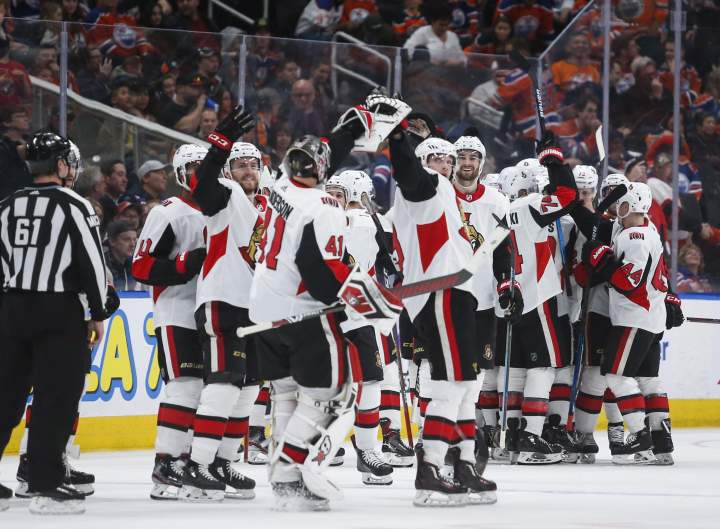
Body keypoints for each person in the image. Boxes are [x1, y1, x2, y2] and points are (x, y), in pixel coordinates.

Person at [249, 101, 399, 510]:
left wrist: (351, 128)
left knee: (286, 394)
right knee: (330, 396)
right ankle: (294, 470)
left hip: (263, 309)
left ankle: (284, 479)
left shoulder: (279, 186)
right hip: (301, 311)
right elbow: (321, 271)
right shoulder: (324, 208)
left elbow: (319, 154)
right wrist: (365, 301)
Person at [386, 103, 498, 504]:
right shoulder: (422, 187)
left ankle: (465, 464)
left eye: (449, 159)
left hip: (455, 292)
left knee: (466, 384)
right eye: (437, 158)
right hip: (439, 292)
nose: (446, 164)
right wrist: (397, 136)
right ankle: (430, 468)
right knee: (450, 385)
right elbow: (408, 171)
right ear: (422, 162)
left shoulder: (443, 190)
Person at [0, 132, 117, 515]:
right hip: (57, 311)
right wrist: (99, 310)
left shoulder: (8, 204)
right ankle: (45, 484)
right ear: (62, 165)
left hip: (10, 310)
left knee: (5, 395)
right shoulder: (74, 204)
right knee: (56, 398)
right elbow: (92, 261)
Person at [178, 119, 264, 501]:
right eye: (240, 164)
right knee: (224, 383)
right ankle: (198, 464)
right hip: (222, 301)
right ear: (229, 171)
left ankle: (223, 462)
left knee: (249, 388)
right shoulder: (225, 194)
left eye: (253, 164)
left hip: (257, 309)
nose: (248, 170)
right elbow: (203, 185)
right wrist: (219, 147)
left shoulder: (270, 207)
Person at [494, 136, 578, 466]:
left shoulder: (501, 210)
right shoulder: (531, 206)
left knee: (515, 369)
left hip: (511, 300)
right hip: (539, 298)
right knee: (543, 367)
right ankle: (531, 437)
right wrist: (553, 159)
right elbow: (568, 196)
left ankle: (511, 436)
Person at [132, 144, 208, 500]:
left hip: (214, 313)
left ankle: (191, 461)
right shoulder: (169, 212)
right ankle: (167, 464)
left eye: (205, 167)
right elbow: (141, 265)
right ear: (180, 174)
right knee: (186, 386)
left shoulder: (225, 210)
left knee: (211, 392)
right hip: (178, 311)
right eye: (193, 168)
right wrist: (184, 263)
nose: (200, 174)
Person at [324, 170, 395, 486]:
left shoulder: (362, 222)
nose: (332, 200)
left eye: (339, 195)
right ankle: (323, 447)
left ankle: (367, 451)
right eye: (329, 194)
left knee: (370, 380)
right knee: (323, 386)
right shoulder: (315, 222)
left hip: (356, 313)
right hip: (322, 316)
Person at [452, 131, 509, 473]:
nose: (467, 163)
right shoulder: (442, 196)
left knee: (477, 370)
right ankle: (441, 429)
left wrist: (506, 282)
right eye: (462, 157)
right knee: (444, 368)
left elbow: (503, 248)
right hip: (448, 297)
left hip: (483, 298)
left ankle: (467, 427)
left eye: (473, 157)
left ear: (482, 162)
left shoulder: (496, 202)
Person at [402, 2, 467, 66]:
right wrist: (428, 61)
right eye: (441, 25)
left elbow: (463, 59)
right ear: (432, 21)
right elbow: (406, 51)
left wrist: (457, 63)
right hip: (427, 70)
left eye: (446, 25)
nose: (444, 28)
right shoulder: (423, 32)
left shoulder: (452, 36)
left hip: (451, 71)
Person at [0, 106, 31, 201]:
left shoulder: (31, 141)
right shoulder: (3, 147)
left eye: (25, 116)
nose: (25, 119)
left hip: (32, 196)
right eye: (19, 116)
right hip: (10, 199)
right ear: (7, 122)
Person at [104, 220, 140, 291]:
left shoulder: (135, 264)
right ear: (112, 241)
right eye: (127, 239)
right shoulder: (103, 267)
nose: (133, 244)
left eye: (134, 240)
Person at [99, 159, 128, 226]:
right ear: (107, 178)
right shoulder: (100, 206)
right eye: (120, 175)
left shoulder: (125, 202)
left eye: (125, 175)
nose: (125, 180)